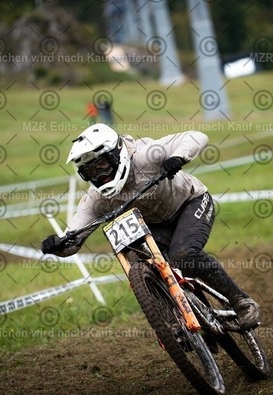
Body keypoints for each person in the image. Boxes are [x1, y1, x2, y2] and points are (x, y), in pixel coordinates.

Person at [41, 124, 261, 330]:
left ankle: (241, 301)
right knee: (137, 258)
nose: (101, 176)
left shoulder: (146, 156)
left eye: (103, 166)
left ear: (116, 154)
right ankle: (177, 323)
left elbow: (196, 137)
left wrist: (177, 157)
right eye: (92, 172)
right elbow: (73, 239)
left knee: (183, 255)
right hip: (155, 226)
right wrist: (57, 245)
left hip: (190, 203)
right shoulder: (96, 199)